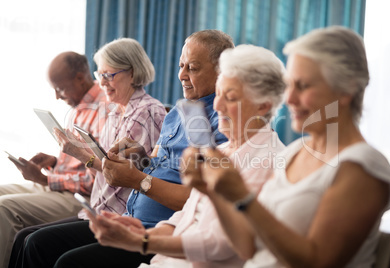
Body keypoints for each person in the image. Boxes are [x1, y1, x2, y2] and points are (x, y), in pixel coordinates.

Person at [182, 26, 390, 267]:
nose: (289, 99)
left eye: (303, 86)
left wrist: (243, 197)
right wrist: (213, 191)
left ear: (345, 90)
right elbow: (246, 246)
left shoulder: (362, 168)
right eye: (290, 86)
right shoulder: (295, 152)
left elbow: (317, 262)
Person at [20, 30, 233, 268]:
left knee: (66, 261)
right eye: (181, 65)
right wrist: (140, 156)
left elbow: (200, 200)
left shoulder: (223, 122)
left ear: (221, 71)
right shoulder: (178, 112)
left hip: (156, 231)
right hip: (130, 219)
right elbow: (154, 165)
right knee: (35, 243)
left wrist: (136, 179)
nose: (181, 75)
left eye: (192, 68)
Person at [86, 44, 287, 267]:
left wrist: (142, 241)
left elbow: (224, 244)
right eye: (218, 94)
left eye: (229, 97)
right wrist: (149, 233)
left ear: (263, 106)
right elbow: (188, 212)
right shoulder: (221, 150)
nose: (217, 105)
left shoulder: (267, 161)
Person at [9, 38, 166, 268]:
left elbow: (127, 176)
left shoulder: (148, 111)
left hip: (122, 217)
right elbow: (105, 168)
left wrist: (82, 154)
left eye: (109, 75)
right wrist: (67, 158)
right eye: (99, 74)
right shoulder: (114, 111)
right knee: (26, 239)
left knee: (35, 243)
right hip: (98, 210)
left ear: (132, 73)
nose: (101, 83)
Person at [0, 51, 107, 268]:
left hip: (76, 195)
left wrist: (45, 180)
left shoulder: (104, 110)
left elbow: (97, 179)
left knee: (5, 208)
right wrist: (56, 163)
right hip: (59, 184)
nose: (57, 96)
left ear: (80, 77)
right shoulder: (79, 108)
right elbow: (82, 161)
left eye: (60, 88)